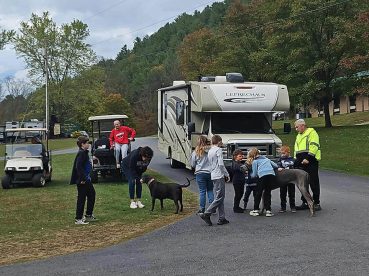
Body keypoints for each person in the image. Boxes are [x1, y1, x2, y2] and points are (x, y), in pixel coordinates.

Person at [199, 135, 230, 226]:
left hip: (213, 175)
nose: (222, 143)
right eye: (221, 141)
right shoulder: (218, 150)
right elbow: (220, 164)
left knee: (219, 197)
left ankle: (222, 218)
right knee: (220, 197)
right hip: (219, 175)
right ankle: (207, 213)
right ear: (219, 141)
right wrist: (226, 174)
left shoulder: (210, 151)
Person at [293, 119, 321, 211]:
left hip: (310, 160)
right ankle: (305, 202)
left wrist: (308, 158)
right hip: (300, 161)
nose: (296, 129)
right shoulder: (298, 136)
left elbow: (314, 146)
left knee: (313, 181)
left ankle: (316, 203)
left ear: (303, 125)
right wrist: (295, 161)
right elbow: (296, 149)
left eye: (297, 127)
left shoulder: (311, 133)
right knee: (303, 183)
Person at [70, 136, 97, 225]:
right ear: (82, 144)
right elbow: (78, 167)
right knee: (81, 198)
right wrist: (82, 178)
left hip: (87, 178)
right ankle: (78, 218)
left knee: (92, 194)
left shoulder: (85, 152)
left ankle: (88, 215)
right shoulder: (81, 153)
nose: (88, 144)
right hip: (82, 180)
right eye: (87, 143)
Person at [247, 147, 278, 217]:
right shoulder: (266, 159)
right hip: (271, 175)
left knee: (259, 193)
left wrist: (249, 175)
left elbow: (254, 174)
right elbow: (275, 166)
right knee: (267, 193)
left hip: (262, 176)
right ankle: (268, 211)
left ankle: (256, 210)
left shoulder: (255, 161)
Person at [190, 136, 214, 214]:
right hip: (209, 172)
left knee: (202, 191)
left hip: (200, 173)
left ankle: (202, 208)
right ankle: (212, 208)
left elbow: (193, 164)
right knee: (210, 190)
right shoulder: (210, 150)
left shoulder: (195, 152)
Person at [277, 145, 296, 213]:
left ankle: (293, 206)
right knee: (282, 193)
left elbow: (295, 168)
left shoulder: (293, 159)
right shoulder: (280, 159)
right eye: (281, 153)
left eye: (284, 153)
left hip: (291, 179)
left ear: (288, 152)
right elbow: (278, 165)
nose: (282, 155)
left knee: (291, 193)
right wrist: (279, 167)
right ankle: (283, 207)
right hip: (283, 179)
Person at [231, 149, 246, 213]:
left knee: (241, 193)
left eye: (242, 156)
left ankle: (237, 206)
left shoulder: (239, 163)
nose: (242, 157)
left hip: (241, 180)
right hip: (237, 181)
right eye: (240, 156)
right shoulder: (235, 164)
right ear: (235, 156)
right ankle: (235, 207)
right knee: (238, 194)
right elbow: (240, 168)